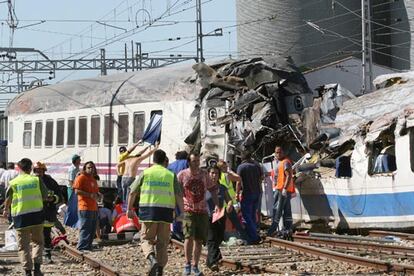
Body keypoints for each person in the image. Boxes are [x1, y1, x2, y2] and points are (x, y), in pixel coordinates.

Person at [127, 149, 184, 276]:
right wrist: (182, 213)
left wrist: (129, 209)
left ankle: (152, 259)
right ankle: (160, 270)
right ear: (165, 161)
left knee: (146, 239)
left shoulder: (145, 173)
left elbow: (132, 191)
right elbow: (179, 195)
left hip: (149, 212)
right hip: (166, 213)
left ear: (153, 160)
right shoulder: (170, 175)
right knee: (162, 242)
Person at [3, 158, 48, 276]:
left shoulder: (14, 182)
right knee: (38, 242)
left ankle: (28, 271)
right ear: (30, 168)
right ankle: (37, 269)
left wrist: (5, 210)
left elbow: (8, 199)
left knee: (23, 246)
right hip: (37, 216)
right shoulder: (36, 180)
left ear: (19, 168)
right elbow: (45, 196)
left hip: (21, 218)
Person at [178, 152, 218, 276]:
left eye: (198, 161)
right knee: (188, 237)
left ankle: (195, 265)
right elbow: (177, 192)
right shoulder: (182, 175)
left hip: (202, 211)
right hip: (188, 210)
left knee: (199, 240)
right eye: (194, 161)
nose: (196, 163)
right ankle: (187, 264)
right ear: (189, 162)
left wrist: (217, 204)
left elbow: (212, 189)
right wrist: (177, 209)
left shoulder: (204, 174)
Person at [33, 161, 63, 263]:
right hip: (34, 213)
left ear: (44, 171)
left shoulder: (51, 182)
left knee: (46, 234)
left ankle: (47, 255)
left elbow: (60, 196)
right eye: (36, 170)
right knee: (35, 236)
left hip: (47, 212)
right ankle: (36, 254)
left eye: (40, 170)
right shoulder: (31, 182)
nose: (38, 172)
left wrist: (53, 199)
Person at [206, 165, 233, 272]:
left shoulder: (222, 188)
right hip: (208, 217)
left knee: (219, 238)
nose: (214, 175)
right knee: (211, 239)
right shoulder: (204, 188)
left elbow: (229, 200)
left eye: (216, 173)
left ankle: (210, 260)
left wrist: (230, 205)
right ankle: (213, 262)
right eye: (212, 173)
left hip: (220, 216)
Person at [73, 161, 101, 251]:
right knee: (85, 227)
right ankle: (82, 247)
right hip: (84, 206)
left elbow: (96, 191)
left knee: (92, 228)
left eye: (92, 167)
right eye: (89, 167)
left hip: (93, 206)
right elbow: (77, 191)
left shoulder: (93, 179)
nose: (91, 169)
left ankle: (88, 246)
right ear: (85, 168)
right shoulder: (81, 178)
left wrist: (99, 195)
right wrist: (89, 195)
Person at [267, 146, 295, 237]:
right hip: (281, 189)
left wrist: (284, 188)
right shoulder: (280, 162)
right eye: (276, 152)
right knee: (287, 210)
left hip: (282, 190)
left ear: (283, 152)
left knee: (277, 209)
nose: (277, 154)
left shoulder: (285, 162)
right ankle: (288, 228)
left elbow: (288, 175)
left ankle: (272, 229)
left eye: (279, 152)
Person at [236, 151, 262, 245]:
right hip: (257, 193)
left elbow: (238, 182)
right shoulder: (256, 166)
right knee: (252, 215)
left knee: (246, 216)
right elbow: (260, 178)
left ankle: (254, 237)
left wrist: (237, 193)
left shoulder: (241, 167)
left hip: (247, 194)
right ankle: (253, 235)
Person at [167, 150, 189, 241]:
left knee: (175, 211)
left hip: (172, 190)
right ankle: (186, 231)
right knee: (185, 210)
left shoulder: (170, 165)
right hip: (184, 190)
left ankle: (176, 232)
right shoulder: (187, 163)